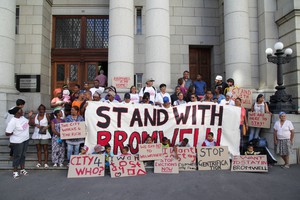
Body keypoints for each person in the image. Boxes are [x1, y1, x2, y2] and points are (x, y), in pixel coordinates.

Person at [6, 107, 33, 179]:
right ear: (17, 112)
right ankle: (15, 171)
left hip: (25, 139)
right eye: (21, 111)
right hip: (17, 141)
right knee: (17, 156)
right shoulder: (12, 121)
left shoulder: (22, 118)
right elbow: (7, 133)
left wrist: (30, 117)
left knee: (23, 155)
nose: (22, 111)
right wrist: (15, 132)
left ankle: (22, 169)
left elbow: (29, 124)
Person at [29, 104, 51, 168]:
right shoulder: (36, 116)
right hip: (37, 134)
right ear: (38, 110)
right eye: (40, 109)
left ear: (44, 110)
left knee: (45, 149)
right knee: (38, 149)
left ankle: (46, 162)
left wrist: (47, 126)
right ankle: (39, 162)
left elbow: (50, 123)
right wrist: (30, 117)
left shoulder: (46, 115)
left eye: (43, 109)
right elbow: (31, 124)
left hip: (44, 134)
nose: (42, 110)